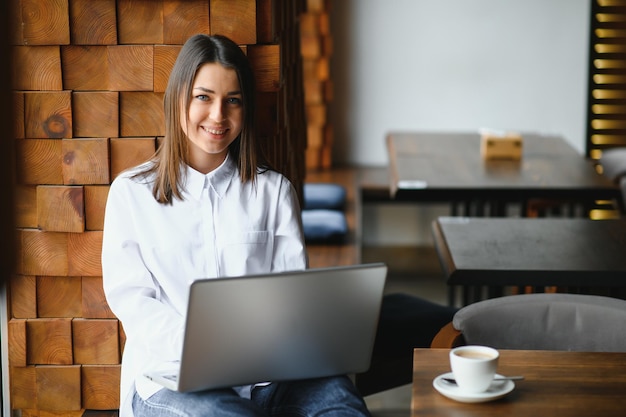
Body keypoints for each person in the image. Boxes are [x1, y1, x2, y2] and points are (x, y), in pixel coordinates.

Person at [101, 34, 372, 417]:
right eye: (203, 97)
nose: (217, 116)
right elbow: (132, 301)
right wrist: (207, 347)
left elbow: (292, 296)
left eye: (233, 101)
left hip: (268, 376)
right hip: (171, 381)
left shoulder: (274, 192)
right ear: (178, 98)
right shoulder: (132, 195)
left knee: (343, 405)